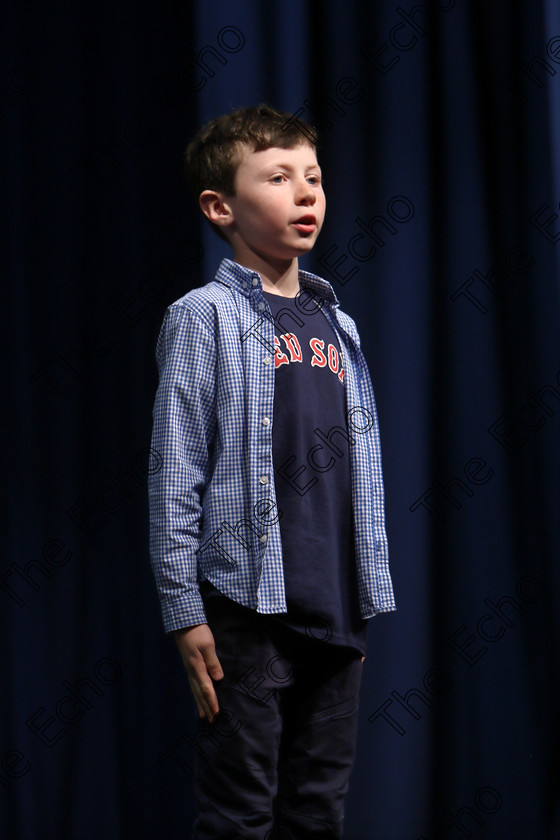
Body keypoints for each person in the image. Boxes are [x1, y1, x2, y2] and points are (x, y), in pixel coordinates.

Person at [148, 103, 396, 839]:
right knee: (240, 810)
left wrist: (365, 578)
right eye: (279, 177)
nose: (306, 193)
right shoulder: (203, 317)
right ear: (220, 206)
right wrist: (183, 608)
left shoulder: (337, 324)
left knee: (318, 808)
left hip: (336, 602)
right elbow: (174, 467)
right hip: (247, 603)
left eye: (313, 177)